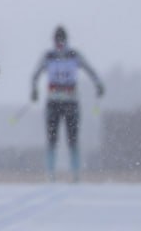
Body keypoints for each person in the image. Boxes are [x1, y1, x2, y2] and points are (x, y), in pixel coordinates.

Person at [30, 25, 104, 182]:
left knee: (73, 139)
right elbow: (35, 74)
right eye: (57, 41)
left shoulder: (74, 55)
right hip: (53, 102)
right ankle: (50, 174)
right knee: (52, 139)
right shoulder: (48, 56)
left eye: (62, 41)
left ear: (66, 40)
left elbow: (90, 70)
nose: (59, 44)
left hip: (71, 102)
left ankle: (76, 173)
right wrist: (34, 90)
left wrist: (98, 84)